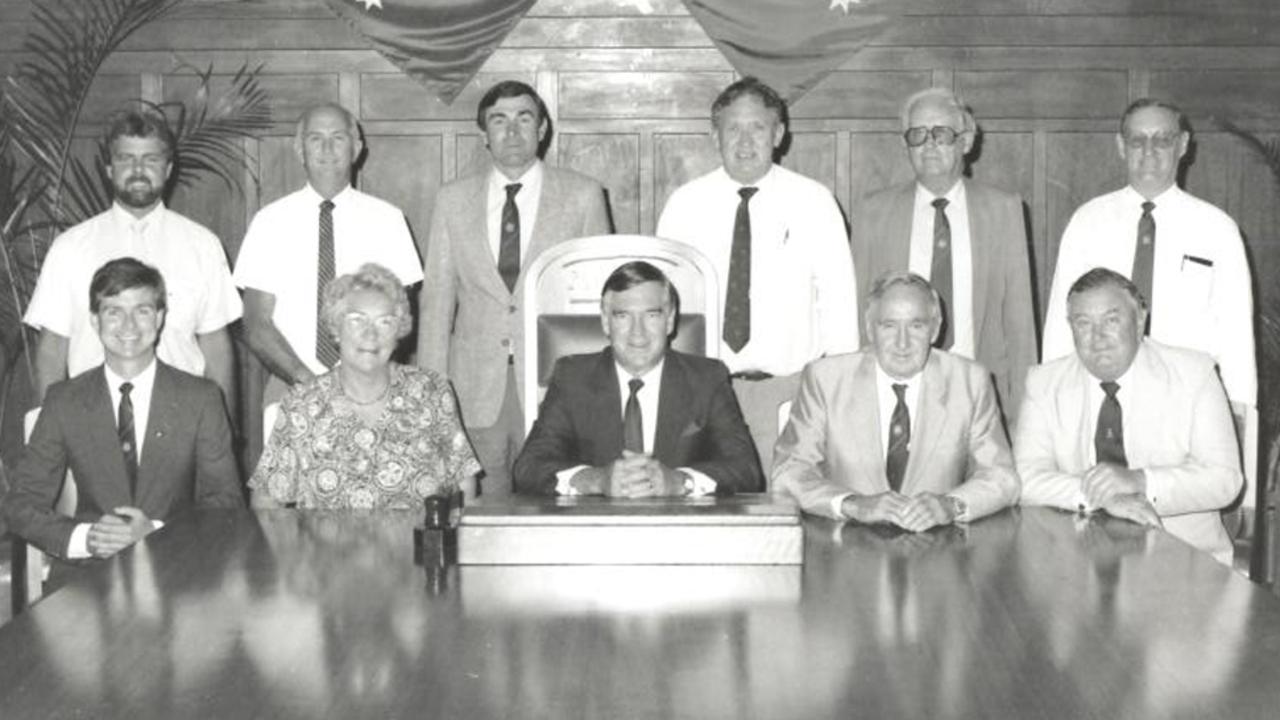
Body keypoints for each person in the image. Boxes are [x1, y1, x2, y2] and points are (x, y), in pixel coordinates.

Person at [656, 76, 859, 475]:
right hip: (704, 393)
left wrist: (838, 398)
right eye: (733, 129)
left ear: (779, 134)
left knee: (789, 512)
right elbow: (663, 303)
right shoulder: (684, 205)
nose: (745, 142)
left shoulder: (814, 202)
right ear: (715, 136)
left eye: (758, 128)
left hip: (789, 391)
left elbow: (838, 303)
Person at [418, 80, 611, 498]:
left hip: (555, 384)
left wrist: (598, 390)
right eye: (499, 121)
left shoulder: (582, 195)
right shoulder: (452, 200)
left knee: (553, 509)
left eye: (525, 119)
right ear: (483, 134)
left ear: (542, 129)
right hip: (473, 386)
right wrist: (432, 394)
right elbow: (436, 303)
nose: (512, 131)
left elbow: (600, 301)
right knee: (479, 514)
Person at [4, 258, 242, 571]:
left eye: (141, 311)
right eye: (113, 311)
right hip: (88, 577)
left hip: (178, 569)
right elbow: (21, 504)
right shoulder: (65, 401)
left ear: (159, 318)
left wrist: (155, 534)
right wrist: (88, 538)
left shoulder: (201, 399)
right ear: (94, 320)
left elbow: (226, 505)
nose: (128, 326)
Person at [1041, 98, 1254, 414]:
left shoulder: (1218, 229)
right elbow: (1061, 323)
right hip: (1103, 398)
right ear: (1121, 146)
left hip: (1189, 401)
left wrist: (1241, 417)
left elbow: (1236, 335)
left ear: (1182, 145)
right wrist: (1053, 402)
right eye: (1137, 141)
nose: (1149, 151)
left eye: (1163, 140)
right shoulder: (1088, 221)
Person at [1016, 268, 1242, 565]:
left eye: (1111, 320)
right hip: (1077, 565)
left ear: (1139, 321)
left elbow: (1225, 480)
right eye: (1083, 324)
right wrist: (1100, 496)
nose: (1097, 338)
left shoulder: (1194, 374)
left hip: (1183, 564)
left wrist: (1139, 481)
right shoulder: (1044, 383)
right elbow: (1024, 478)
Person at [23, 110, 241, 406]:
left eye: (151, 159)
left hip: (181, 417)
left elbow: (215, 345)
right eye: (126, 159)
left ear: (168, 169)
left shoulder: (202, 245)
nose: (138, 169)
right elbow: (52, 348)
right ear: (110, 169)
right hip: (90, 417)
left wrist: (222, 429)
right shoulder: (70, 247)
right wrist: (47, 428)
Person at [773, 272, 1018, 531]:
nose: (903, 343)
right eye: (889, 326)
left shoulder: (969, 381)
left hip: (939, 551)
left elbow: (1002, 478)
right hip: (847, 544)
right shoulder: (826, 380)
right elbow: (788, 473)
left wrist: (950, 505)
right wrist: (852, 504)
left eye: (916, 326)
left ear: (935, 329)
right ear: (869, 329)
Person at [851, 87, 1035, 418]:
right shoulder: (873, 212)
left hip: (979, 391)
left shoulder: (1003, 209)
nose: (929, 144)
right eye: (917, 134)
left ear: (966, 141)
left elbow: (1019, 323)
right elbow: (858, 316)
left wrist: (1026, 414)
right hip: (895, 392)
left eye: (942, 133)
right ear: (905, 145)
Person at [513, 261, 761, 496]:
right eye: (623, 316)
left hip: (682, 531)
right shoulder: (572, 378)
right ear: (605, 322)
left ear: (670, 320)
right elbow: (528, 467)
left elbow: (747, 470)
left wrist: (680, 481)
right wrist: (597, 480)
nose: (638, 332)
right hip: (593, 532)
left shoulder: (707, 379)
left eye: (651, 315)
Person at [250, 263, 480, 509]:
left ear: (399, 332)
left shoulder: (431, 393)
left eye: (384, 322)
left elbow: (464, 492)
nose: (370, 335)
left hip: (414, 546)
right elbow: (266, 504)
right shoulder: (302, 404)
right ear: (336, 327)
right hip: (325, 548)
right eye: (357, 320)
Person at [235, 103, 423, 402]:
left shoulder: (388, 220)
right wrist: (308, 381)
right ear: (299, 149)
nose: (327, 148)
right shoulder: (269, 222)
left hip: (370, 389)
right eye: (315, 138)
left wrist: (357, 380)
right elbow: (256, 322)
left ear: (356, 147)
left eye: (338, 138)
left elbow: (399, 316)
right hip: (291, 386)